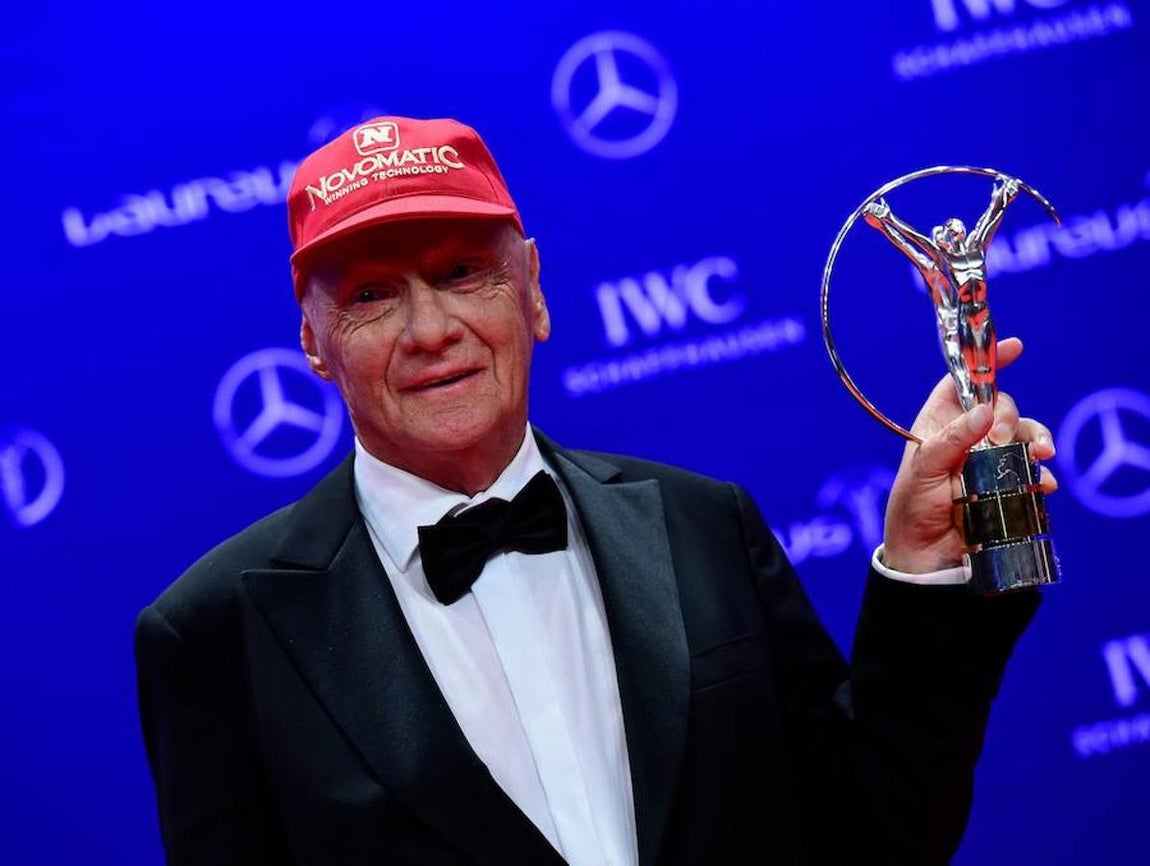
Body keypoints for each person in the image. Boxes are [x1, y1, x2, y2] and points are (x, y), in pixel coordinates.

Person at [134, 117, 1057, 866]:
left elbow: (874, 838)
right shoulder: (216, 634)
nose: (431, 330)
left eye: (463, 273)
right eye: (374, 295)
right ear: (313, 342)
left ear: (531, 291)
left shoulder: (703, 526)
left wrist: (922, 570)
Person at [863, 177, 1022, 413]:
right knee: (972, 376)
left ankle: (989, 433)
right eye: (948, 227)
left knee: (988, 375)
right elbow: (914, 241)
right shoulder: (945, 261)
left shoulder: (977, 249)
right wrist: (888, 219)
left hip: (984, 318)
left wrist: (1004, 198)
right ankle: (980, 433)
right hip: (965, 320)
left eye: (955, 224)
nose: (953, 227)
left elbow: (990, 222)